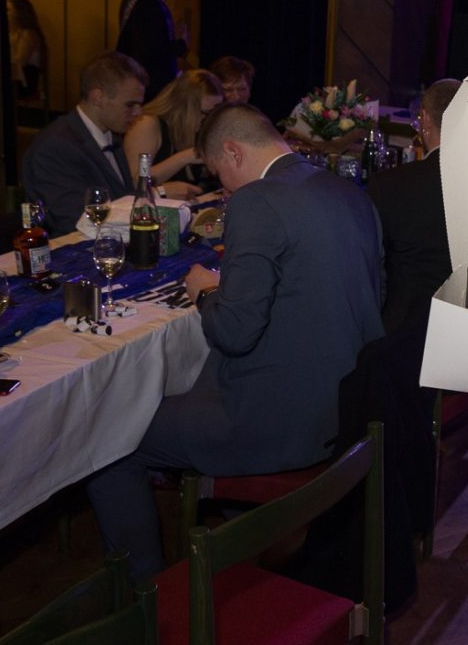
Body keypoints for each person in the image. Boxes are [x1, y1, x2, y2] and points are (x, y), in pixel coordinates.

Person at [85, 104, 385, 581]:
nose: (223, 187)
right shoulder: (346, 191)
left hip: (282, 421)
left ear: (233, 152)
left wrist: (205, 293)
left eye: (219, 172)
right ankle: (244, 536)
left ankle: (144, 595)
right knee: (182, 385)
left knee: (107, 439)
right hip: (348, 406)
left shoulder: (258, 201)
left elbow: (235, 333)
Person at [368, 78, 460, 334]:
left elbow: (372, 266)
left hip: (401, 327)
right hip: (467, 325)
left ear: (425, 119)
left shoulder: (391, 184)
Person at [20, 52, 146, 234]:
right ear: (98, 97)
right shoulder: (55, 146)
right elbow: (75, 222)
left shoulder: (111, 135)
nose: (138, 112)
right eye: (130, 105)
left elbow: (121, 199)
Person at [121, 68, 224, 200]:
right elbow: (137, 181)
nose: (210, 120)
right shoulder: (147, 124)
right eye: (205, 113)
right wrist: (184, 157)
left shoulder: (200, 128)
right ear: (183, 108)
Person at [116, 0, 187, 101]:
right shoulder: (148, 3)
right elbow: (153, 51)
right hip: (149, 86)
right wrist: (181, 44)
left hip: (136, 80)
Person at [8, 0, 46, 104]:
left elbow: (20, 61)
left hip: (26, 80)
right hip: (16, 78)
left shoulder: (28, 34)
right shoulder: (13, 33)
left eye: (8, 10)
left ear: (19, 13)